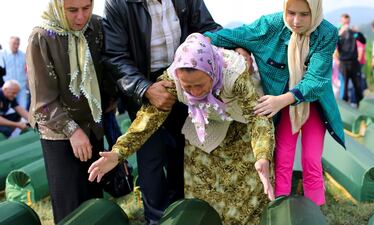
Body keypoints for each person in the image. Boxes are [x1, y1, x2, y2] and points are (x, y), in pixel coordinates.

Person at [89, 33, 275, 224]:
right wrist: (118, 153)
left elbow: (257, 116)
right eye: (188, 87)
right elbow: (148, 119)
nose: (194, 92)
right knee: (203, 198)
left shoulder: (234, 75)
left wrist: (262, 155)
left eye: (200, 85)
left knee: (243, 198)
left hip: (241, 129)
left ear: (211, 72)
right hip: (203, 129)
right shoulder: (173, 79)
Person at [204, 0, 345, 206]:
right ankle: (279, 210)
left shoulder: (326, 32)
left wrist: (282, 100)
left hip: (311, 104)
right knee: (283, 159)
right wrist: (201, 40)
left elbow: (316, 80)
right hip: (284, 107)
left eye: (304, 14)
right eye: (291, 13)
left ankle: (315, 212)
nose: (296, 21)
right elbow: (233, 35)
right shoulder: (269, 26)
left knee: (311, 161)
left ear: (315, 10)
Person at [101, 0, 221, 223]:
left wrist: (236, 45)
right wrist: (144, 88)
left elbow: (208, 28)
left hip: (184, 78)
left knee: (185, 152)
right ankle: (156, 219)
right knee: (151, 157)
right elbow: (115, 56)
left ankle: (183, 213)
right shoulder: (118, 4)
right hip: (143, 82)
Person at [26, 0, 111, 222]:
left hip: (92, 127)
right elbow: (43, 102)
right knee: (72, 209)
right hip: (60, 135)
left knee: (94, 201)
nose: (81, 17)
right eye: (72, 10)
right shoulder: (42, 37)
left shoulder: (96, 27)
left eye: (87, 8)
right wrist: (73, 131)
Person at [2, 37, 28, 110]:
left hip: (21, 87)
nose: (16, 46)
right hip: (8, 88)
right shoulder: (2, 54)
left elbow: (28, 69)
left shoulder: (24, 55)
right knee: (8, 109)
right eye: (14, 44)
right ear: (9, 43)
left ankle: (24, 121)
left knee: (23, 107)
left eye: (18, 44)